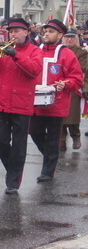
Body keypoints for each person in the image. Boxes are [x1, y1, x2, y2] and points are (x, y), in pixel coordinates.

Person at [0, 18, 43, 194]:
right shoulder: (4, 49)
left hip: (21, 103)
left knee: (19, 144)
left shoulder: (35, 51)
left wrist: (16, 55)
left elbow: (33, 71)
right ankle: (13, 170)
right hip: (1, 102)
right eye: (11, 32)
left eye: (16, 31)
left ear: (26, 32)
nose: (13, 34)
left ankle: (13, 179)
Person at [30, 19, 84, 182]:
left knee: (54, 138)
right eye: (45, 31)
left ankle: (47, 171)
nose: (46, 34)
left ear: (60, 35)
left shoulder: (67, 54)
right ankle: (50, 156)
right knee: (34, 132)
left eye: (51, 31)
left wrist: (65, 84)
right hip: (35, 104)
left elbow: (76, 78)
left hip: (57, 104)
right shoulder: (36, 50)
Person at [60, 29, 88, 150]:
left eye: (71, 37)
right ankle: (61, 140)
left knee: (73, 116)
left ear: (75, 38)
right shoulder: (58, 50)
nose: (69, 39)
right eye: (67, 37)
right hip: (59, 86)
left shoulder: (81, 52)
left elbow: (82, 69)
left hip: (74, 87)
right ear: (62, 38)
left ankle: (75, 136)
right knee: (59, 116)